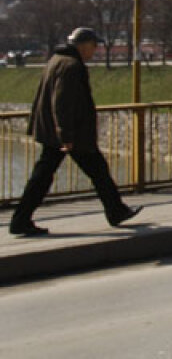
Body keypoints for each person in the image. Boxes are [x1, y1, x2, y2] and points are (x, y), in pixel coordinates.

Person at [9, 28, 142, 237]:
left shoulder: (57, 59)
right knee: (94, 171)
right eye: (94, 46)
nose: (95, 50)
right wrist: (66, 136)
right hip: (71, 133)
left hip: (56, 130)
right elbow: (62, 102)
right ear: (84, 44)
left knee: (50, 174)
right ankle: (21, 219)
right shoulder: (72, 66)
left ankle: (116, 210)